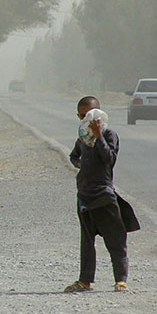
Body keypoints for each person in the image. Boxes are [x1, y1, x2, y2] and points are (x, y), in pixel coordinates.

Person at [64, 95, 140, 293]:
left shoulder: (108, 135)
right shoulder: (82, 137)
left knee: (115, 239)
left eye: (87, 115)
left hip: (103, 195)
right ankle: (85, 281)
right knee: (87, 242)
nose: (84, 120)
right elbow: (74, 156)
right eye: (80, 116)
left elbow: (109, 159)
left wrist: (98, 136)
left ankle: (121, 280)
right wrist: (81, 165)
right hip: (84, 195)